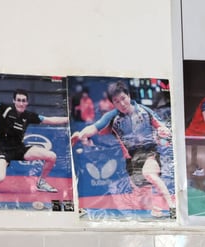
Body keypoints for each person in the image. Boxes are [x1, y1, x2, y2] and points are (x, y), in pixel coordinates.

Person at [71, 81, 176, 215]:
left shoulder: (145, 111)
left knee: (150, 174)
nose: (122, 104)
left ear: (129, 96)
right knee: (143, 197)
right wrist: (80, 134)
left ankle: (173, 207)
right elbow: (93, 128)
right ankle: (154, 209)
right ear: (113, 104)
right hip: (131, 158)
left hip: (150, 153)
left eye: (123, 98)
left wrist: (164, 132)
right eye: (116, 101)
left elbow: (161, 126)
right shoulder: (112, 116)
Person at [0, 82, 69, 193]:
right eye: (18, 100)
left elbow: (50, 120)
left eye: (23, 101)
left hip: (20, 149)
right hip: (4, 151)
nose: (21, 103)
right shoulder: (5, 109)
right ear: (14, 101)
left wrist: (69, 119)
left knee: (51, 156)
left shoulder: (29, 116)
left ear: (27, 102)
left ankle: (41, 182)